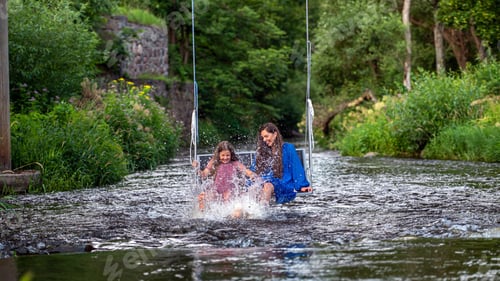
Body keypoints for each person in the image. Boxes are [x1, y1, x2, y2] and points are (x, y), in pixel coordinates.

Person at [252, 122, 312, 204]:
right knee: (253, 188)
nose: (264, 140)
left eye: (266, 136)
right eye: (262, 137)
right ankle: (245, 211)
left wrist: (302, 186)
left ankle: (262, 212)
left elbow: (296, 168)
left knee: (267, 186)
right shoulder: (262, 151)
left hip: (282, 182)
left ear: (275, 134)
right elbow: (254, 169)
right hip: (265, 180)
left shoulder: (288, 148)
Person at [193, 141, 256, 211]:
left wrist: (252, 175)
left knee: (229, 196)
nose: (225, 158)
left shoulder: (235, 163)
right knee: (202, 197)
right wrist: (197, 169)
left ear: (231, 155)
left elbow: (246, 170)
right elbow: (204, 174)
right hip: (216, 190)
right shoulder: (214, 162)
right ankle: (202, 216)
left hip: (230, 191)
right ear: (219, 154)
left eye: (227, 155)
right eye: (223, 155)